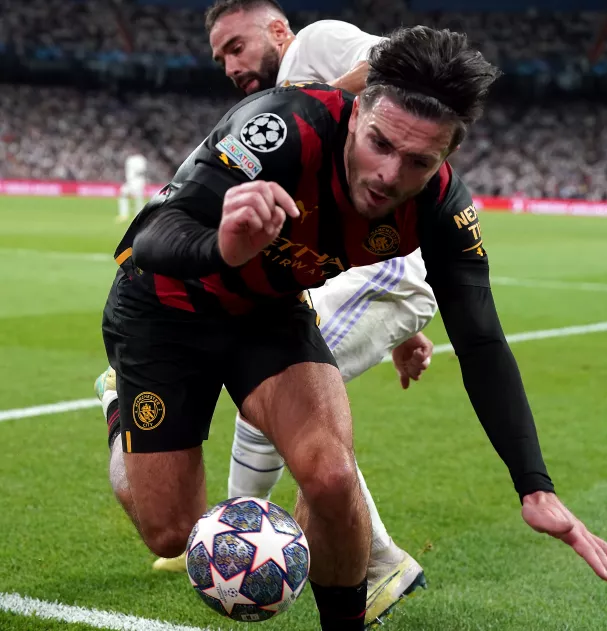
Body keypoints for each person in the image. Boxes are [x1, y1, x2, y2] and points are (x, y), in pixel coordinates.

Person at [99, 26, 607, 631]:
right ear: (356, 115)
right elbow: (153, 237)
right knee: (172, 533)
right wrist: (222, 248)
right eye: (379, 143)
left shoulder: (438, 206)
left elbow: (481, 339)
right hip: (165, 306)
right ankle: (119, 404)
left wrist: (534, 487)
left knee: (330, 476)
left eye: (418, 161)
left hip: (267, 314)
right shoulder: (282, 126)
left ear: (446, 158)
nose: (388, 174)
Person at [98, 1, 436, 624]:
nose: (229, 66)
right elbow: (172, 228)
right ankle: (126, 407)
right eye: (219, 57)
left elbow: (413, 72)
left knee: (319, 459)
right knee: (171, 530)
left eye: (236, 47)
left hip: (306, 296)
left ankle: (363, 562)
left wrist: (334, 113)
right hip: (193, 303)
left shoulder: (318, 46)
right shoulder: (268, 120)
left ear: (278, 31)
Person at [117, 151, 148, 223]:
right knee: (123, 194)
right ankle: (124, 215)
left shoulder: (139, 159)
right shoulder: (132, 159)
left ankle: (138, 216)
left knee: (138, 199)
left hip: (137, 182)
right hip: (131, 182)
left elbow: (141, 171)